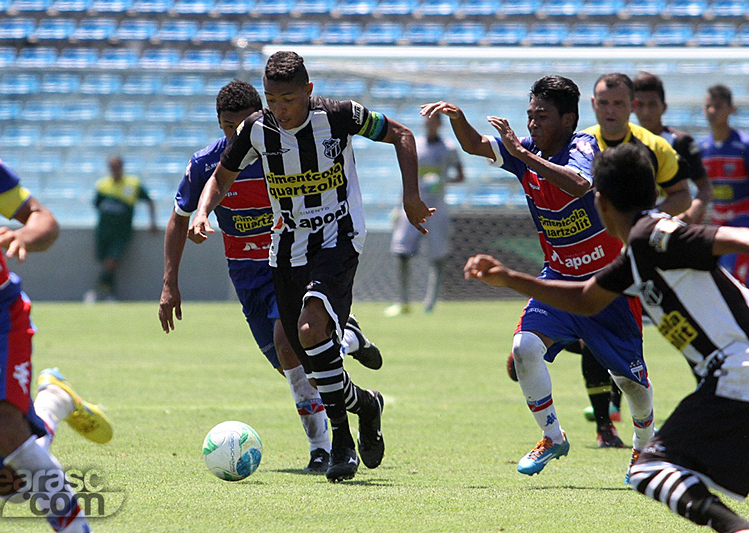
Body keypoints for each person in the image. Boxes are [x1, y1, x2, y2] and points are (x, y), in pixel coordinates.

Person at [465, 142, 749, 533]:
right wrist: (510, 279)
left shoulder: (656, 235)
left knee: (650, 470)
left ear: (600, 202)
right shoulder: (636, 252)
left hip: (736, 370)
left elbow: (732, 239)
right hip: (729, 375)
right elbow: (585, 299)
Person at [192, 51, 432, 482]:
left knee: (307, 330)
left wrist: (410, 195)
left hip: (338, 238)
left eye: (287, 99)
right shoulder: (256, 129)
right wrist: (203, 211)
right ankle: (367, 404)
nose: (279, 110)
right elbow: (221, 176)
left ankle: (340, 442)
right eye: (271, 99)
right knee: (309, 359)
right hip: (285, 248)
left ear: (309, 92)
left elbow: (401, 134)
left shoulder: (339, 116)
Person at [422, 75, 655, 479]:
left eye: (541, 116)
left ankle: (644, 446)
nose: (532, 124)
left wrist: (521, 155)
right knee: (524, 348)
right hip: (558, 278)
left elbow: (580, 184)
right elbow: (475, 145)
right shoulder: (525, 150)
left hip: (607, 284)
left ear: (568, 119)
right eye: (530, 116)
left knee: (630, 382)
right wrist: (457, 117)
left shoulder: (583, 145)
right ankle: (553, 436)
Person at [158, 80, 382, 474]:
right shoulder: (207, 165)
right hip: (245, 274)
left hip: (292, 259)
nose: (236, 136)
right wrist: (169, 282)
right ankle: (349, 341)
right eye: (228, 127)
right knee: (295, 367)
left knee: (289, 345)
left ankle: (322, 448)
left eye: (243, 125)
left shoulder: (282, 152)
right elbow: (177, 220)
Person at [0, 137, 113, 532]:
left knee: (2, 425)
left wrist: (23, 236)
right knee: (13, 484)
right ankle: (54, 401)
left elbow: (44, 220)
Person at [568, 72, 694, 446]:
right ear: (592, 105)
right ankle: (604, 425)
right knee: (594, 325)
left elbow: (682, 196)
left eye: (619, 103)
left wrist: (640, 223)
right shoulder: (580, 145)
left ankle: (555, 338)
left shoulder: (654, 146)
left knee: (634, 333)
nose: (610, 110)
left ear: (632, 106)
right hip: (588, 254)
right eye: (603, 103)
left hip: (636, 254)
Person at [384, 113, 464, 316]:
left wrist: (442, 180)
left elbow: (461, 176)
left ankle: (431, 303)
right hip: (412, 206)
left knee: (438, 257)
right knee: (401, 252)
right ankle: (403, 302)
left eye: (433, 121)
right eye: (426, 121)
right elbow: (405, 177)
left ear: (439, 124)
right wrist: (397, 205)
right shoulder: (414, 145)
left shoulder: (449, 148)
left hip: (438, 208)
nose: (429, 124)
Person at [634, 71, 712, 225]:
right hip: (640, 226)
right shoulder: (625, 143)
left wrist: (689, 215)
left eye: (652, 104)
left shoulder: (681, 142)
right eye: (640, 105)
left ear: (663, 107)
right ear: (632, 107)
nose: (646, 111)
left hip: (675, 226)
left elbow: (705, 188)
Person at [87, 155, 158, 302]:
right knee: (105, 260)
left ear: (122, 167)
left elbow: (149, 201)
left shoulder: (132, 184)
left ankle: (95, 290)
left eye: (117, 166)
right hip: (104, 229)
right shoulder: (103, 185)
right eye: (112, 167)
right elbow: (96, 204)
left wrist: (152, 222)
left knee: (112, 260)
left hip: (122, 231)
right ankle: (110, 293)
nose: (114, 170)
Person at [700, 83, 749, 286]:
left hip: (743, 225)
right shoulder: (701, 148)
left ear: (731, 109)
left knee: (738, 281)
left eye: (718, 106)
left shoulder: (744, 146)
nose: (712, 111)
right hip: (717, 227)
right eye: (708, 106)